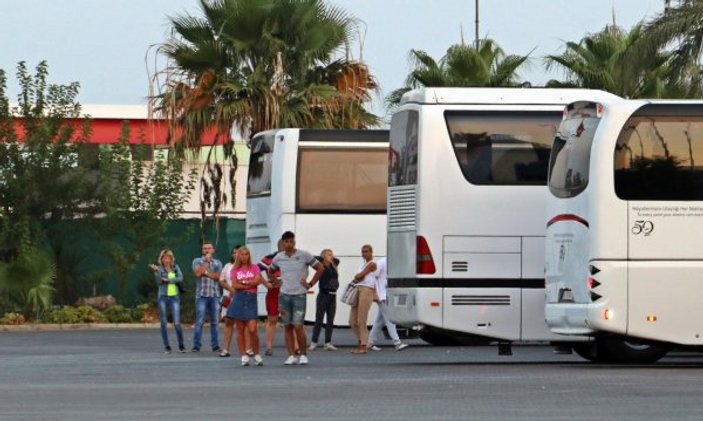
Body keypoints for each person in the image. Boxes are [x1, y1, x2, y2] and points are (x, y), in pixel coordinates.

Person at [269, 231, 323, 365]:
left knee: (298, 325)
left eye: (291, 241)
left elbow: (320, 268)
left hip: (299, 295)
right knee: (287, 326)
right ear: (282, 243)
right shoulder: (278, 257)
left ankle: (303, 354)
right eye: (286, 242)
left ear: (294, 242)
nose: (288, 244)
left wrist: (310, 284)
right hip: (284, 295)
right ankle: (291, 355)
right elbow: (270, 270)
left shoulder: (304, 255)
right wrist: (276, 281)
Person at [224, 246, 265, 366]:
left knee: (252, 329)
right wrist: (249, 284)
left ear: (249, 256)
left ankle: (256, 354)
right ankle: (243, 355)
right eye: (241, 254)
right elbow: (235, 285)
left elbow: (258, 281)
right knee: (240, 329)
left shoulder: (255, 267)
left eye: (246, 254)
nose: (244, 257)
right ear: (238, 256)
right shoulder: (235, 269)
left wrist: (245, 283)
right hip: (239, 299)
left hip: (251, 299)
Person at [367, 257, 409, 352]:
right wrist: (374, 293)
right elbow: (372, 277)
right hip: (381, 295)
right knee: (390, 318)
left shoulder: (396, 263)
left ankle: (370, 342)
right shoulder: (382, 262)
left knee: (380, 321)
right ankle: (397, 343)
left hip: (387, 295)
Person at [149, 249, 186, 354]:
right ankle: (167, 347)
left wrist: (169, 280)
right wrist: (156, 272)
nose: (167, 260)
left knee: (177, 323)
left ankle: (181, 345)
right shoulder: (159, 268)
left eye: (168, 257)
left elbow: (180, 278)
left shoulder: (175, 267)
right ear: (161, 259)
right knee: (164, 323)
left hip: (174, 297)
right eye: (164, 257)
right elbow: (159, 282)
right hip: (163, 297)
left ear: (171, 258)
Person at [191, 241, 223, 352]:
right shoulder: (197, 261)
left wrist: (207, 273)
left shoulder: (218, 263)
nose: (207, 250)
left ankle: (215, 345)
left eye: (209, 248)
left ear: (213, 250)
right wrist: (205, 263)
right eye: (205, 248)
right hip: (201, 296)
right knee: (199, 321)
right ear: (202, 250)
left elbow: (218, 277)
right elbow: (198, 273)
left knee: (215, 322)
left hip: (214, 295)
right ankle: (196, 346)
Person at [309, 248, 340, 351]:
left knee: (330, 320)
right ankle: (314, 342)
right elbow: (313, 258)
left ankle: (328, 342)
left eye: (332, 254)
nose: (331, 256)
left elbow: (337, 260)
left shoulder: (334, 265)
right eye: (329, 254)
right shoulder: (321, 266)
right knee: (319, 319)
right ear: (323, 256)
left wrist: (330, 258)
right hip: (323, 294)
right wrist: (323, 258)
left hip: (333, 295)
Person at [349, 244, 377, 354]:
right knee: (352, 321)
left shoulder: (372, 264)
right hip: (358, 289)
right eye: (363, 252)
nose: (364, 254)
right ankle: (362, 340)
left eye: (366, 251)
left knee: (361, 319)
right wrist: (358, 276)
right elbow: (358, 276)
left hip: (366, 290)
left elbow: (360, 276)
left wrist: (358, 275)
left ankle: (363, 345)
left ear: (371, 252)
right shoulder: (363, 264)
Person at [258, 239, 284, 357]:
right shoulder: (269, 258)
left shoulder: (295, 257)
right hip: (274, 290)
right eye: (284, 245)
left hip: (289, 290)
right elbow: (256, 271)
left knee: (291, 321)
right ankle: (269, 347)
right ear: (279, 247)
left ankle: (296, 347)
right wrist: (265, 283)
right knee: (272, 319)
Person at [218, 245, 245, 357]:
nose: (235, 255)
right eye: (234, 253)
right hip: (229, 297)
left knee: (244, 323)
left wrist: (238, 289)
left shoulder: (246, 267)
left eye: (238, 252)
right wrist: (231, 289)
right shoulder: (228, 266)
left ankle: (247, 349)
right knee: (228, 322)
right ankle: (226, 349)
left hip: (242, 297)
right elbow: (221, 280)